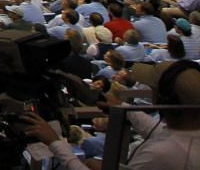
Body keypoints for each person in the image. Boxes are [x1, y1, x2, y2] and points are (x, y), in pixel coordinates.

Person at [25, 61, 200, 170]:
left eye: (152, 88)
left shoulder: (158, 154)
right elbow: (159, 131)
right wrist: (121, 107)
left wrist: (55, 143)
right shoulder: (186, 132)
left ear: (164, 98)